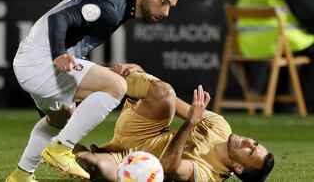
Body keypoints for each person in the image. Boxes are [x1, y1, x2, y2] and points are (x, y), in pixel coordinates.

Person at [6, 0, 183, 182]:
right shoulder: (112, 9)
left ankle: (21, 175)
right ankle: (61, 149)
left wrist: (98, 73)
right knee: (117, 85)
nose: (166, 12)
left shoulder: (116, 3)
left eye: (170, 6)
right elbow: (59, 18)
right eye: (163, 2)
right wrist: (59, 54)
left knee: (61, 117)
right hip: (40, 61)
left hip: (32, 60)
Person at [73, 63, 275, 182]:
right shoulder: (221, 126)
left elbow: (169, 168)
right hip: (144, 129)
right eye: (255, 143)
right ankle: (81, 81)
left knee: (96, 167)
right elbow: (170, 101)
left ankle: (68, 146)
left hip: (131, 161)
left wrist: (190, 123)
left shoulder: (208, 175)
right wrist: (143, 79)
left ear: (238, 168)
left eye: (250, 151)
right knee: (164, 92)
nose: (249, 142)